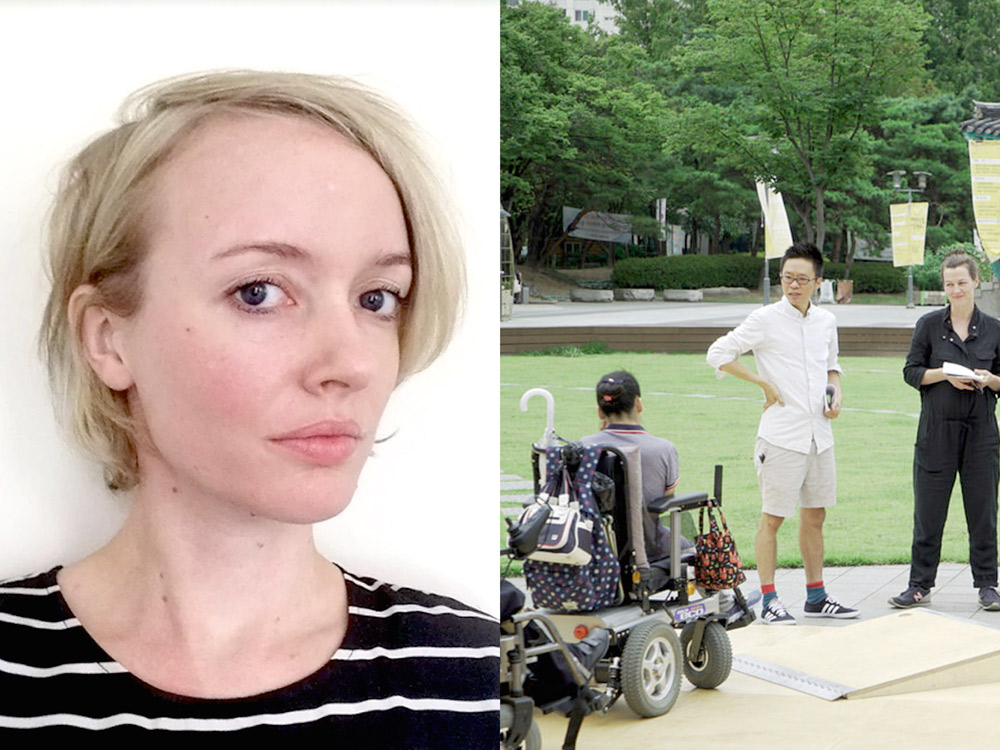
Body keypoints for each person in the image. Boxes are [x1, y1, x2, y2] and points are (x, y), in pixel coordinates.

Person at [0, 71, 496, 741]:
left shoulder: (474, 680)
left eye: (377, 298)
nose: (349, 364)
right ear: (108, 337)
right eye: (259, 291)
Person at [707, 242, 858, 625]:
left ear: (818, 282)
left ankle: (816, 595)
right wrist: (763, 384)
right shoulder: (765, 319)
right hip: (780, 436)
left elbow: (832, 366)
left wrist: (835, 393)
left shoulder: (826, 321)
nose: (793, 285)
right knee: (772, 518)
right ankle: (770, 599)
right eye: (787, 277)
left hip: (819, 435)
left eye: (802, 279)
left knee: (816, 514)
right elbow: (718, 353)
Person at [890, 249, 1000, 611]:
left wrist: (989, 378)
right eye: (949, 284)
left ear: (976, 282)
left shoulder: (994, 330)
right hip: (936, 433)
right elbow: (911, 371)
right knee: (928, 511)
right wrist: (944, 374)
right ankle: (919, 585)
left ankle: (987, 584)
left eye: (962, 283)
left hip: (981, 433)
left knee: (983, 512)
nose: (956, 289)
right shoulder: (928, 325)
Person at [579, 371, 689, 562]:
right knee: (690, 545)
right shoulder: (663, 449)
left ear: (599, 411)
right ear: (638, 404)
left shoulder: (583, 448)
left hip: (594, 547)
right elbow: (665, 500)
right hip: (648, 548)